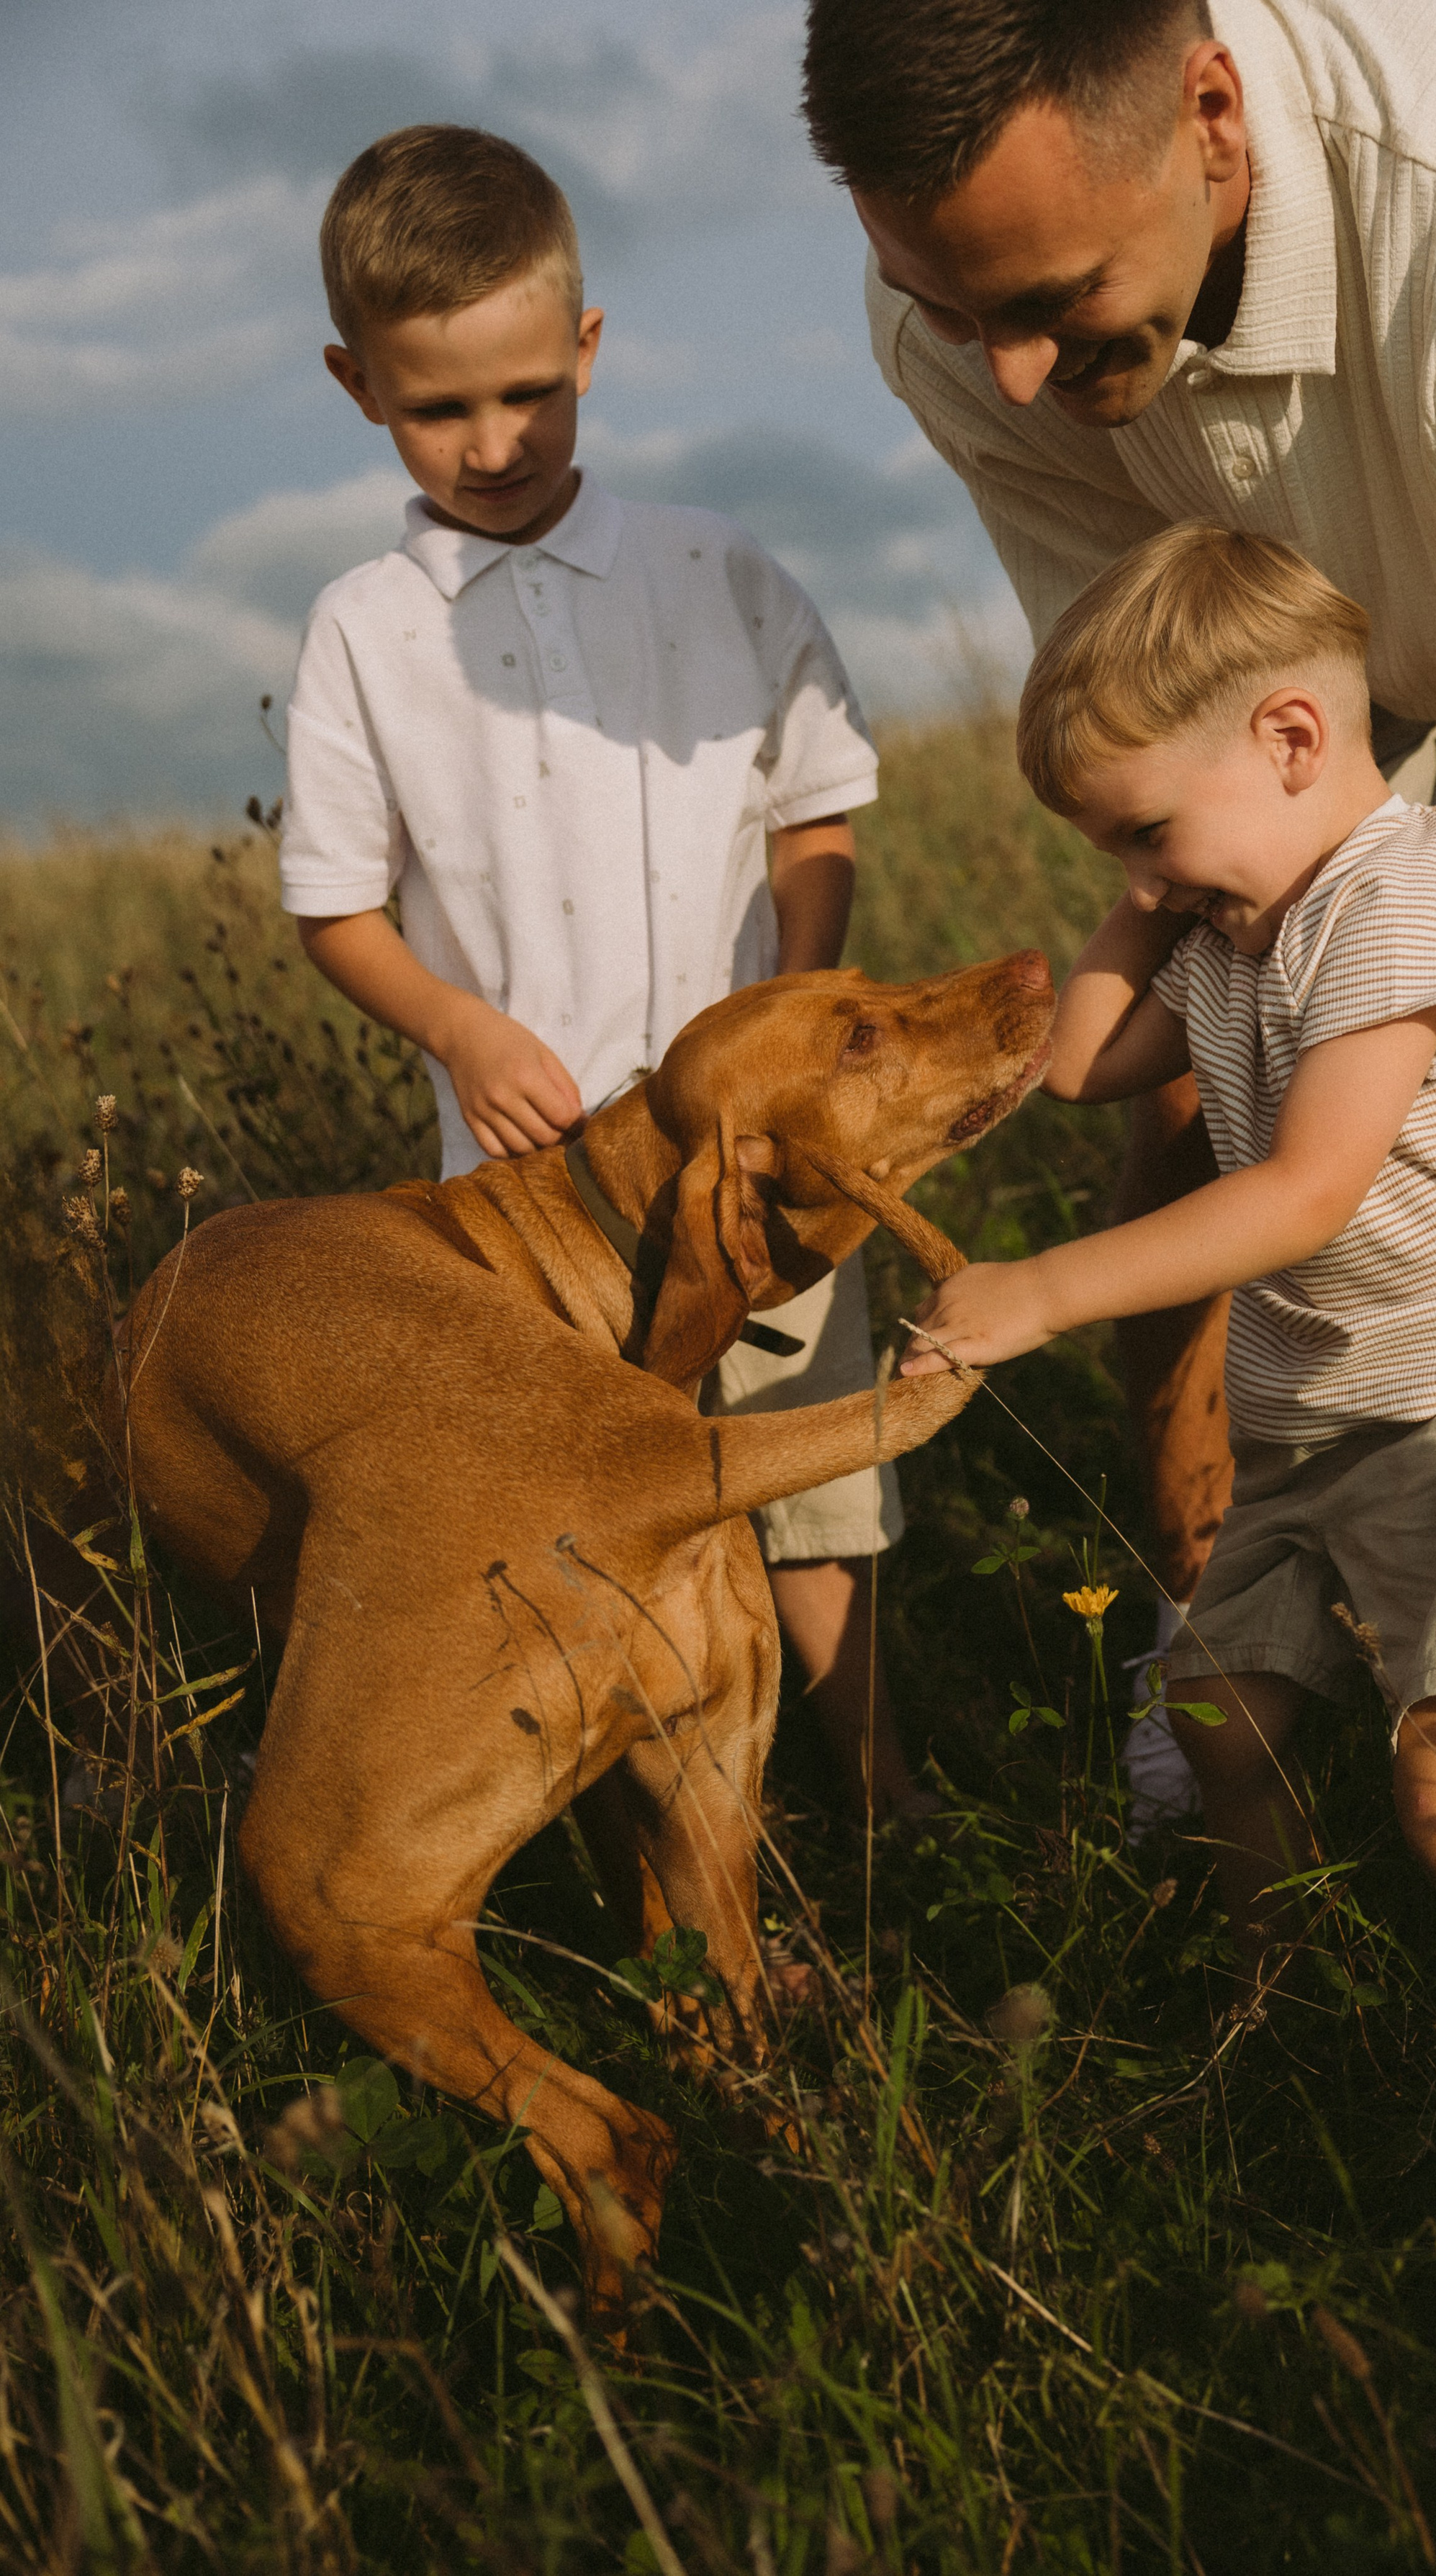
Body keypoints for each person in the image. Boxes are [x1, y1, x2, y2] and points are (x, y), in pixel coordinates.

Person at [803, 0, 1436, 1742]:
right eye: (946, 305)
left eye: (1050, 302)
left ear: (1210, 114)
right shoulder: (976, 320)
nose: (1002, 373)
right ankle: (1220, 1623)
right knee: (1203, 1087)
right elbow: (1145, 740)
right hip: (1282, 633)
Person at [278, 123, 933, 1821]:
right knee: (579, 1506)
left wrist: (802, 1008)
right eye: (439, 409)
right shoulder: (365, 627)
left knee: (810, 1486)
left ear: (585, 345)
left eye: (525, 393)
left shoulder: (711, 566)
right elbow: (336, 903)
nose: (492, 443)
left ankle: (868, 1806)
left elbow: (816, 810)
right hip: (528, 1194)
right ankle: (651, 1842)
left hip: (765, 1157)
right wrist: (456, 1027)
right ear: (359, 386)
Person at [904, 523, 1436, 2020]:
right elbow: (1085, 1064)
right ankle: (1284, 1995)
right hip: (1311, 1421)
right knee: (1215, 1723)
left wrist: (1041, 1287)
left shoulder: (1400, 903)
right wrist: (1145, 890)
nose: (1144, 882)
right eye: (1113, 851)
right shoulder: (1240, 925)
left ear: (1292, 738)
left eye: (1146, 835)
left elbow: (1303, 1194)